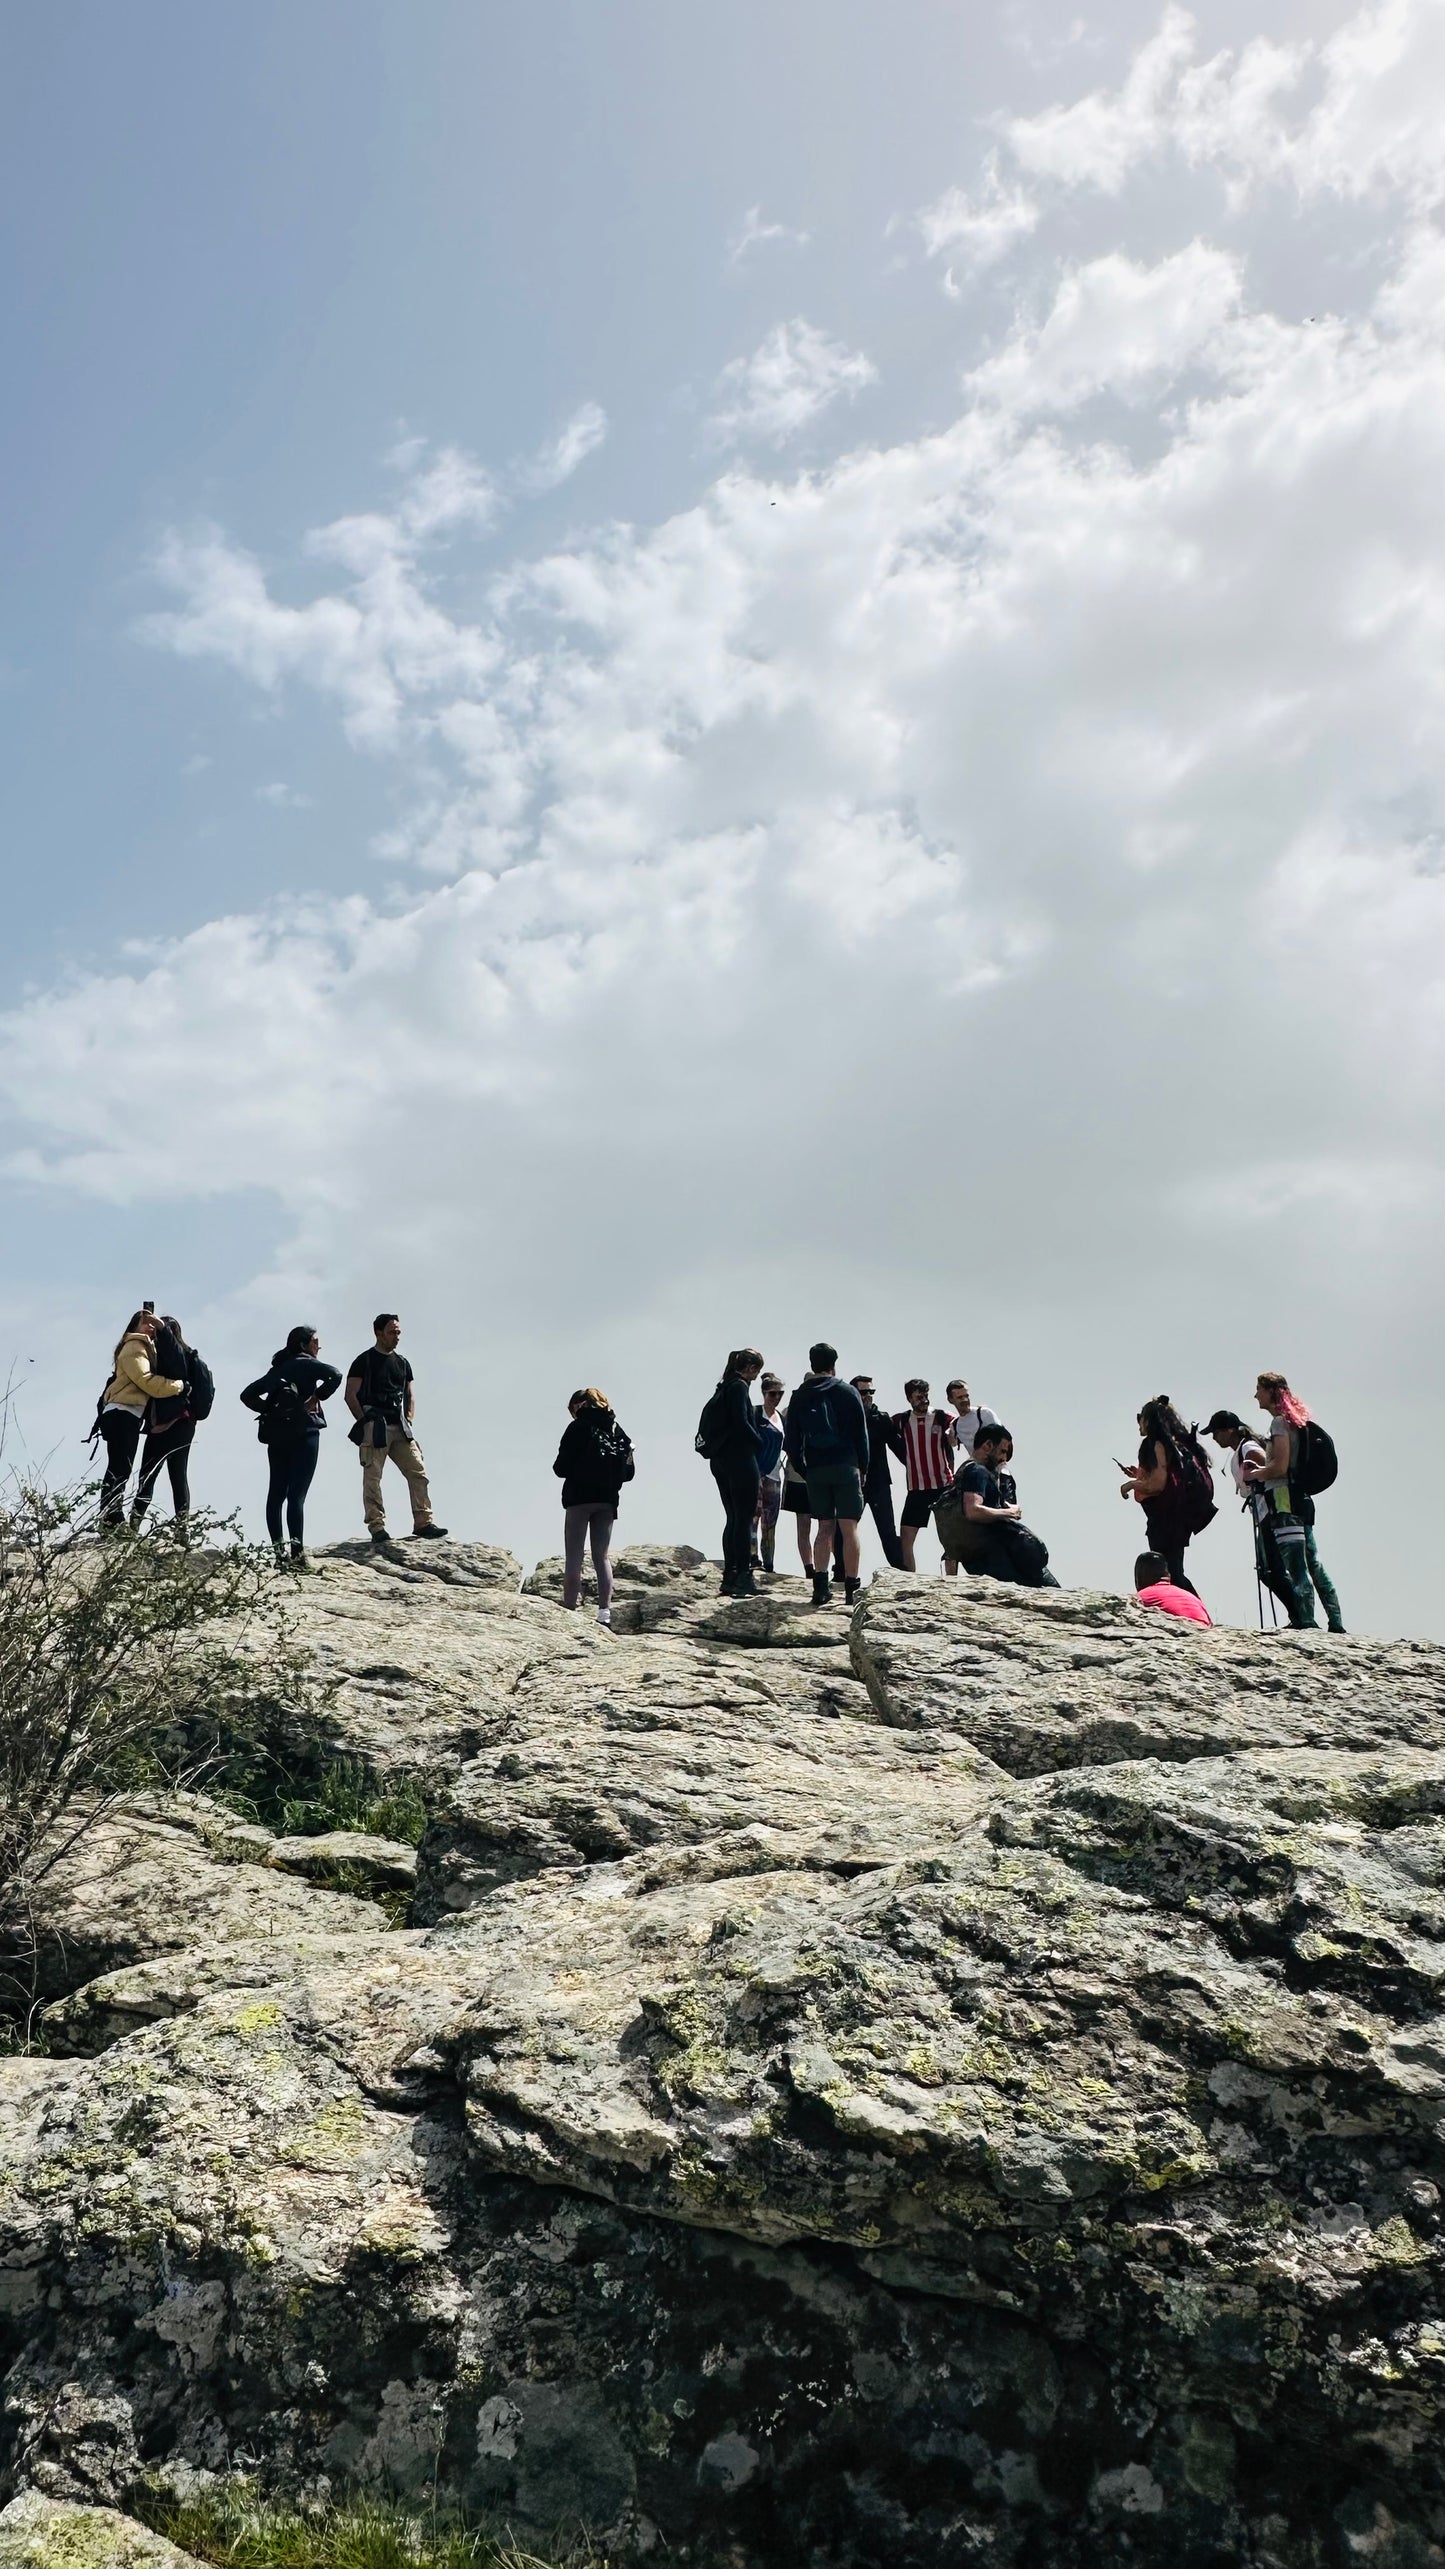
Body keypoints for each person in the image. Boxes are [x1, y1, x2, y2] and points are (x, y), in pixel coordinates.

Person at [1247, 1371, 1345, 1633]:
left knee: (1296, 1564)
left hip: (1283, 1499)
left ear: (1270, 1391)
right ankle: (1336, 1622)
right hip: (1301, 1498)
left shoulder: (1279, 1423)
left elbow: (1279, 1466)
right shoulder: (1298, 1421)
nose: (1255, 1394)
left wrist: (1256, 1473)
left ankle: (1306, 1621)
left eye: (1259, 1389)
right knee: (1313, 1561)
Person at [241, 1326, 344, 1566]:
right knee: (296, 1495)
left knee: (276, 1494)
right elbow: (336, 1375)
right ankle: (297, 1554)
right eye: (315, 1342)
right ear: (304, 1344)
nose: (319, 1347)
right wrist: (315, 1398)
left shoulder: (278, 1368)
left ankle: (279, 1554)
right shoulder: (306, 1363)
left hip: (277, 1436)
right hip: (305, 1434)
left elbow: (247, 1395)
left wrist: (271, 1410)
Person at [344, 1314, 448, 1546]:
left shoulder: (402, 1363)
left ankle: (423, 1522)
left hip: (399, 1425)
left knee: (418, 1470)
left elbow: (409, 1393)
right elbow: (350, 1394)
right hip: (375, 1425)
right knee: (373, 1476)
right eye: (392, 1332)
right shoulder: (364, 1360)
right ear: (378, 1333)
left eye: (398, 1332)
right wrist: (364, 1422)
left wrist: (409, 1418)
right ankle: (377, 1526)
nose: (396, 1336)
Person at [784, 1342, 869, 1609]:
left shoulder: (799, 1396)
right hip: (846, 1466)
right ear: (834, 1363)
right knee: (849, 1527)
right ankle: (851, 1589)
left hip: (816, 1469)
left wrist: (803, 1469)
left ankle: (820, 1588)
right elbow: (861, 1435)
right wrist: (863, 1468)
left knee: (823, 1527)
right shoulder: (847, 1392)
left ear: (811, 1364)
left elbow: (791, 1440)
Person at [94, 1312, 185, 1532]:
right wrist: (178, 1386)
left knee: (119, 1467)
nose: (150, 1326)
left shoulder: (143, 1348)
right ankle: (111, 1519)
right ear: (135, 1325)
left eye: (153, 1322)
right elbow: (147, 1382)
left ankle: (111, 1518)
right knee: (120, 1468)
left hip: (125, 1414)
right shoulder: (136, 1346)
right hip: (123, 1413)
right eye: (145, 1322)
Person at [553, 1387, 634, 1626]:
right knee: (602, 1556)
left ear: (580, 1405)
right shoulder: (617, 1430)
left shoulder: (577, 1428)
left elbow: (561, 1468)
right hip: (607, 1499)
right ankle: (604, 1612)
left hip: (579, 1498)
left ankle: (569, 1607)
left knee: (574, 1555)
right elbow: (628, 1473)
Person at [1119, 1395, 1212, 1597]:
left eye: (1140, 1418)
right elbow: (1168, 1478)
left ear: (1149, 1419)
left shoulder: (1154, 1444)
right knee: (1173, 1570)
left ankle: (1195, 1611)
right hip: (1179, 1516)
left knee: (1171, 1573)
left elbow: (1158, 1484)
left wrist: (1130, 1485)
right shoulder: (1173, 1444)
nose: (1138, 1424)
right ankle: (1192, 1610)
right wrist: (1139, 1474)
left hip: (1165, 1519)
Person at [131, 1314, 210, 1539]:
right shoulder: (184, 1356)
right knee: (177, 1476)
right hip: (183, 1425)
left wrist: (161, 1329)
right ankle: (181, 1530)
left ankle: (134, 1527)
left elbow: (171, 1351)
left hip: (169, 1424)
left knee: (148, 1476)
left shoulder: (175, 1354)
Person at [955, 1422, 1059, 1586]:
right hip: (996, 1555)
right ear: (988, 1445)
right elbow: (972, 1510)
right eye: (1002, 1451)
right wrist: (1010, 1513)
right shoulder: (977, 1470)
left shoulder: (966, 1471)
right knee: (1050, 1592)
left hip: (985, 1556)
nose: (1003, 1458)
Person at [704, 1348, 768, 1597]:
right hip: (740, 1460)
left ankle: (729, 1574)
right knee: (744, 1518)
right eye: (757, 1371)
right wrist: (759, 1441)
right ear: (751, 1368)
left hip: (721, 1460)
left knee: (732, 1517)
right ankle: (744, 1575)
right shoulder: (740, 1387)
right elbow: (741, 1423)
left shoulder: (724, 1386)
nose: (756, 1376)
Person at [1205, 1410, 1281, 1620]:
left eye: (1216, 1432)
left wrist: (1254, 1474)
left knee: (1269, 1570)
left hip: (1267, 1509)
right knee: (1269, 1569)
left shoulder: (1247, 1446)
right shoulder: (1242, 1447)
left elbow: (1264, 1465)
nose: (1214, 1437)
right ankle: (1299, 1615)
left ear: (1229, 1430)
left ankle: (1300, 1616)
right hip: (1263, 1509)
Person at [890, 1379, 958, 1572]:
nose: (924, 1400)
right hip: (917, 1488)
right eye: (919, 1396)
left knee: (950, 1537)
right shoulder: (901, 1421)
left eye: (926, 1395)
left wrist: (953, 1434)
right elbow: (883, 1430)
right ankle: (910, 1579)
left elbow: (958, 1428)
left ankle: (952, 1584)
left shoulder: (942, 1417)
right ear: (909, 1398)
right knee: (906, 1536)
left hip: (943, 1485)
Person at [942, 1378, 998, 1576]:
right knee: (958, 1522)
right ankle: (951, 1579)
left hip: (994, 1473)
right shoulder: (956, 1424)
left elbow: (1002, 1440)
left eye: (966, 1396)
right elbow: (951, 1440)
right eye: (959, 1397)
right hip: (975, 1474)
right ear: (951, 1400)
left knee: (996, 1523)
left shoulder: (984, 1414)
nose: (964, 1401)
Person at [850, 1374, 905, 1570]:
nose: (868, 1396)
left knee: (888, 1531)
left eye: (871, 1392)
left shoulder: (881, 1418)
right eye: (864, 1392)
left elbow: (899, 1448)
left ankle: (902, 1572)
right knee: (845, 1529)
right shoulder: (847, 1418)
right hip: (853, 1482)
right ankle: (841, 1574)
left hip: (879, 1482)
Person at [752, 1374, 786, 1574]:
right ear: (764, 1393)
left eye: (780, 1393)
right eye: (772, 1393)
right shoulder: (755, 1414)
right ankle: (752, 1558)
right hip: (756, 1473)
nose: (776, 1397)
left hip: (775, 1476)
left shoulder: (781, 1418)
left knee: (770, 1523)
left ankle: (769, 1563)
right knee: (753, 1519)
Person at [1134, 1549, 1213, 1626]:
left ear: (1140, 1576)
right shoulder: (1193, 1598)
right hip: (1204, 1633)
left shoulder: (1141, 1598)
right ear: (1168, 1575)